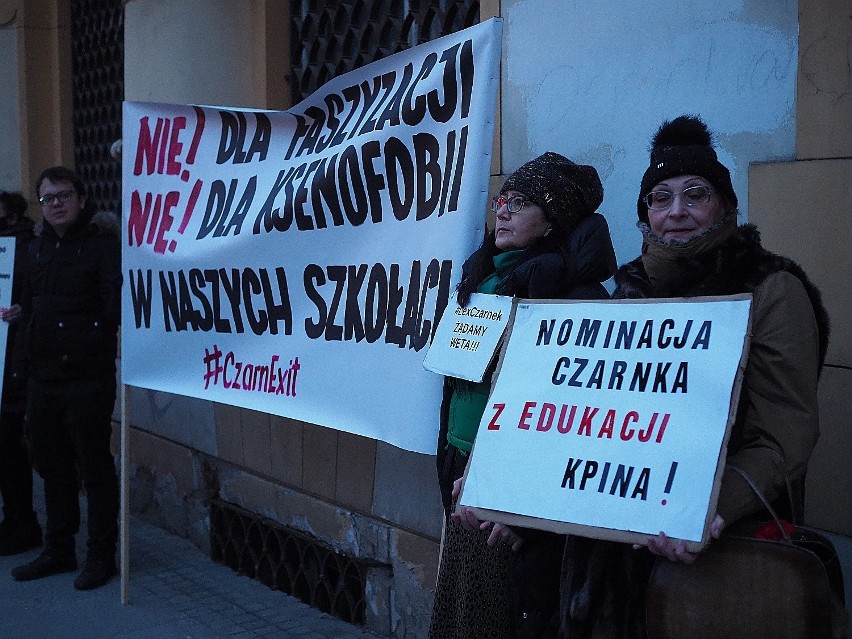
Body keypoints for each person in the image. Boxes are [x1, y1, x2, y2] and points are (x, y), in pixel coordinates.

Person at [557, 115, 830, 638]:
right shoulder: (628, 292)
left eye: (695, 195)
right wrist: (509, 490)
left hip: (719, 557)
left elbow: (783, 437)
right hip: (611, 562)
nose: (676, 212)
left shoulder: (770, 289)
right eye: (661, 198)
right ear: (645, 215)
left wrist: (702, 510)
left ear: (725, 207)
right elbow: (583, 417)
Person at [430, 152, 617, 639]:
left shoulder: (577, 299)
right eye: (502, 200)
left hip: (514, 495)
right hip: (462, 472)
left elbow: (574, 417)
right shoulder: (482, 281)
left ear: (551, 220)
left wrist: (520, 504)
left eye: (522, 203)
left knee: (503, 618)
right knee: (464, 615)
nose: (504, 211)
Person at [9, 167, 121, 590]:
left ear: (80, 198)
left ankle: (101, 555)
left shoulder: (102, 246)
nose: (55, 204)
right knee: (52, 467)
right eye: (47, 198)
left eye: (63, 195)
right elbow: (29, 306)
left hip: (87, 377)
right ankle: (59, 549)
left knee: (93, 468)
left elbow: (117, 306)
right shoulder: (36, 249)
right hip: (43, 377)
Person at [0, 191, 41, 555]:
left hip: (13, 367)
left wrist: (22, 312)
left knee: (9, 448)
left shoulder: (26, 250)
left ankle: (21, 524)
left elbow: (39, 301)